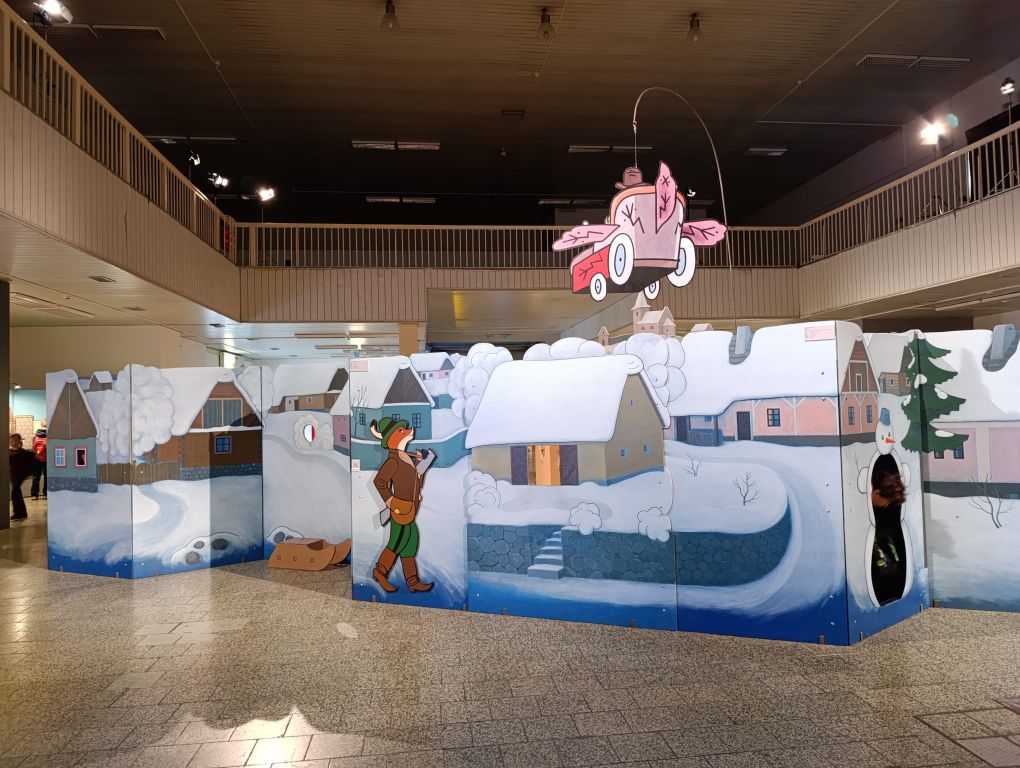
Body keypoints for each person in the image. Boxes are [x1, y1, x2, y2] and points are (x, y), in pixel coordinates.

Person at [9, 434, 35, 521]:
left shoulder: (24, 453)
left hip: (20, 475)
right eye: (11, 440)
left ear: (19, 441)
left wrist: (27, 473)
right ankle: (22, 513)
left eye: (14, 440)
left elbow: (31, 463)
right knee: (17, 492)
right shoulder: (9, 452)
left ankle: (19, 513)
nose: (12, 441)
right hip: (13, 474)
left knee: (15, 492)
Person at [30, 425, 47, 500]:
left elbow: (33, 449)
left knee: (36, 477)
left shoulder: (34, 437)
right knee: (46, 477)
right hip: (47, 459)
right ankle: (45, 494)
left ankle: (34, 494)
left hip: (36, 459)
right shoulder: (49, 436)